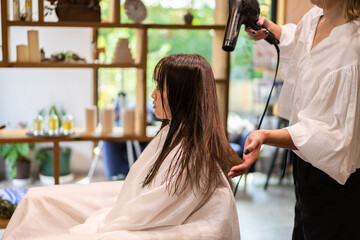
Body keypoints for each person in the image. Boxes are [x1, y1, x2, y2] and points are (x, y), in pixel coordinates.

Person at [3, 54, 242, 240]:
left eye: (160, 87)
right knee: (38, 198)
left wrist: (109, 220)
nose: (153, 94)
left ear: (182, 95)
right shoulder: (175, 133)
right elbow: (150, 195)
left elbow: (160, 209)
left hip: (144, 221)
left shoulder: (191, 153)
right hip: (134, 209)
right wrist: (116, 210)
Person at [228, 0, 360, 239]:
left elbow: (330, 133)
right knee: (302, 230)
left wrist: (265, 135)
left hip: (335, 175)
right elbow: (298, 42)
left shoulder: (353, 45)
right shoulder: (314, 17)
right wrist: (268, 27)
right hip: (303, 160)